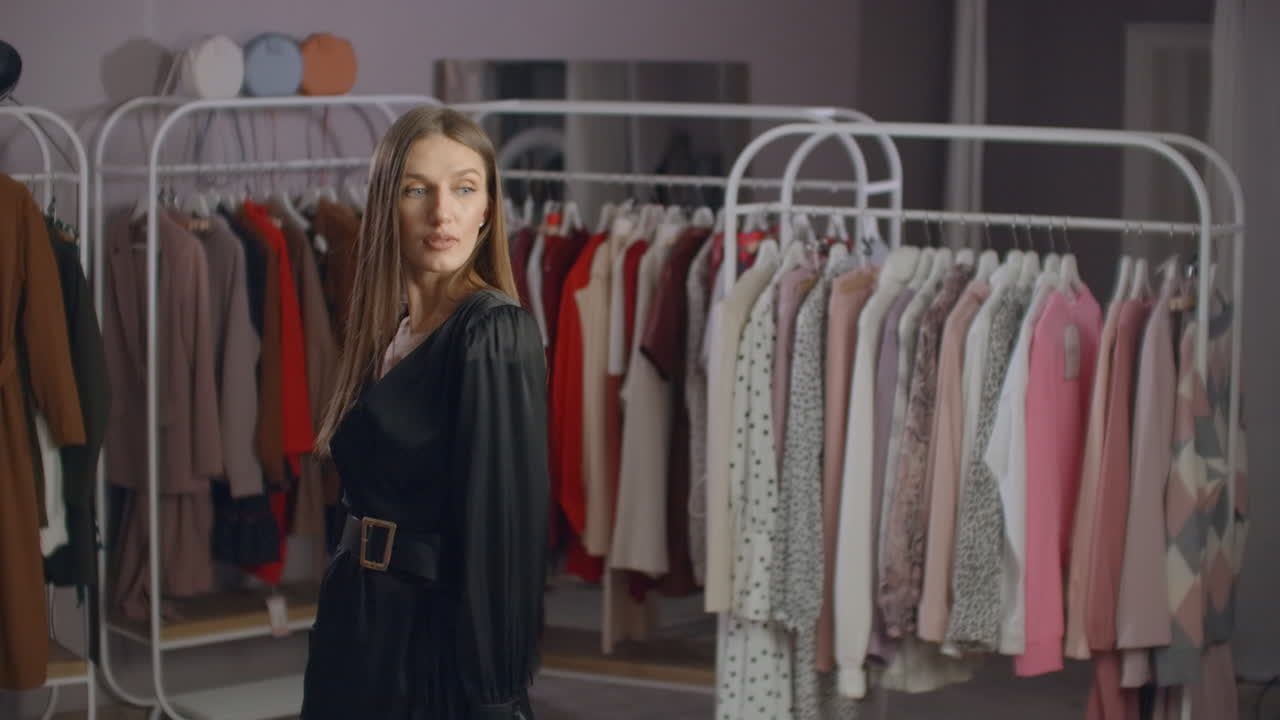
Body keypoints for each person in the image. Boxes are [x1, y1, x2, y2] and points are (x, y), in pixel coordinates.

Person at [301, 107, 549, 720]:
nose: (442, 213)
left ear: (487, 208)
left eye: (464, 189)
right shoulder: (390, 332)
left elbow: (503, 538)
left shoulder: (492, 333)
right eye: (418, 189)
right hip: (355, 624)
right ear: (387, 204)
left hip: (432, 646)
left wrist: (493, 696)